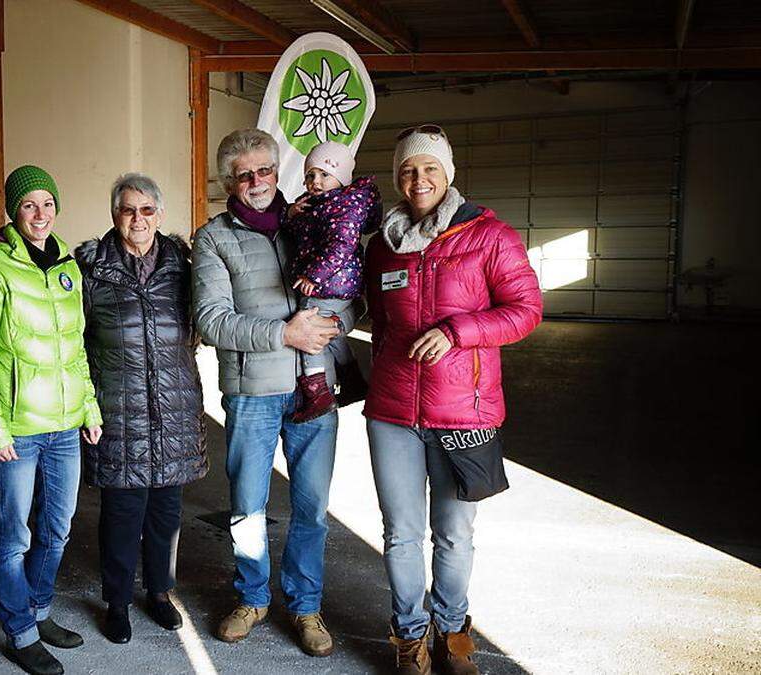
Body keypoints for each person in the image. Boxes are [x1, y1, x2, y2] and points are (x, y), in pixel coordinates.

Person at [363, 125, 542, 675]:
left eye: (429, 169)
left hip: (463, 410)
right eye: (408, 170)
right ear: (398, 178)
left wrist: (460, 331)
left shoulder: (490, 237)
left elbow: (527, 309)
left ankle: (453, 632)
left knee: (455, 533)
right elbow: (375, 317)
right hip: (393, 410)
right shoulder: (384, 245)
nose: (419, 180)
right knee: (401, 534)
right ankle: (410, 636)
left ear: (449, 175)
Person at [192, 128, 344, 658]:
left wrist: (327, 324)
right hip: (252, 393)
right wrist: (284, 333)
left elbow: (349, 292)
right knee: (247, 507)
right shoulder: (213, 238)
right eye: (243, 175)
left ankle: (305, 606)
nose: (256, 182)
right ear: (228, 182)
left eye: (264, 170)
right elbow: (212, 320)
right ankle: (252, 598)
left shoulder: (317, 219)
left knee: (311, 509)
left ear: (277, 170)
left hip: (315, 389)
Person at [0, 165, 103, 675]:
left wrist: (89, 407)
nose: (39, 214)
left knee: (58, 527)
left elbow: (77, 347)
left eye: (47, 203)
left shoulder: (67, 263)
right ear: (13, 212)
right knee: (13, 534)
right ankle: (19, 631)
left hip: (64, 425)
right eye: (28, 205)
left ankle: (40, 611)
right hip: (17, 429)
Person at [73, 173, 207, 645]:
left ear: (159, 216)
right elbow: (74, 341)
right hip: (118, 408)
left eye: (147, 210)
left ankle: (159, 593)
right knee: (122, 511)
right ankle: (116, 601)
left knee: (166, 512)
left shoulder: (183, 266)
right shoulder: (90, 268)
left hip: (173, 404)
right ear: (114, 215)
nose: (137, 219)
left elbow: (206, 320)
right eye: (128, 209)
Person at [284, 140, 382, 422]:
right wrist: (290, 213)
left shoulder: (344, 207)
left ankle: (317, 396)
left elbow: (341, 245)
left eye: (324, 174)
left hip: (326, 283)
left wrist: (313, 275)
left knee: (311, 334)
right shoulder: (322, 204)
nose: (316, 181)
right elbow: (298, 228)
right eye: (310, 175)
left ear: (342, 178)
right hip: (335, 284)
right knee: (330, 336)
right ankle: (352, 381)